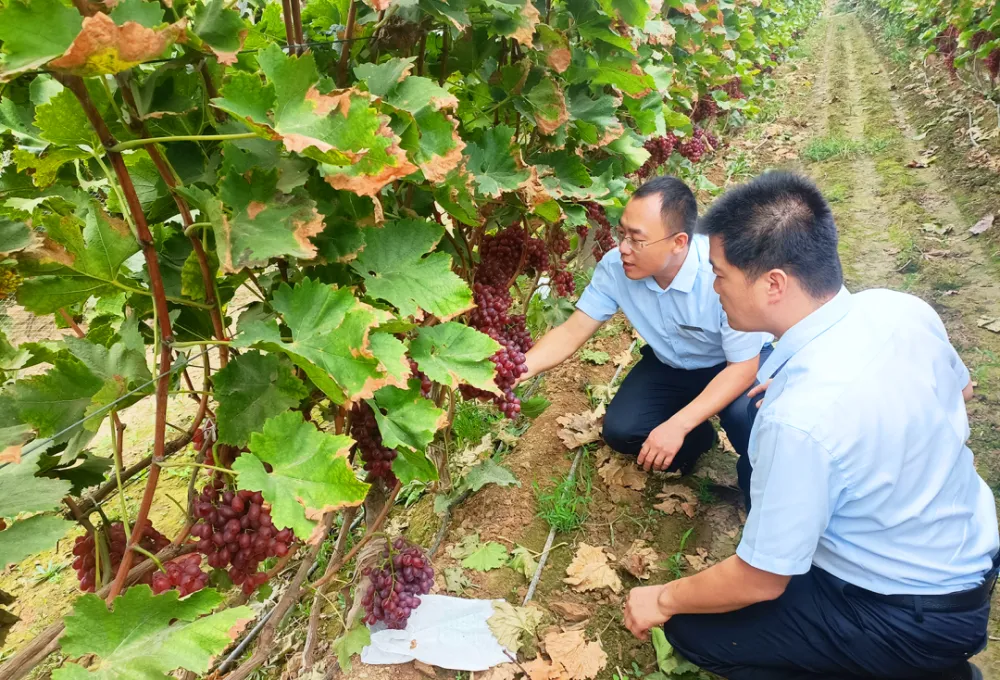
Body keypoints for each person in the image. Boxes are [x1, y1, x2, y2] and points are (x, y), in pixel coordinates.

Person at [623, 170, 999, 680]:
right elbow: (961, 391)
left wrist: (662, 598)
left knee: (695, 630)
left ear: (773, 283)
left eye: (720, 274)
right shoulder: (896, 308)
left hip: (905, 614)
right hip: (964, 558)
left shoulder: (801, 418)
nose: (713, 288)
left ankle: (927, 671)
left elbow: (761, 580)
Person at [521, 176, 770, 500]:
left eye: (636, 239)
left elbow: (743, 367)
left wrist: (676, 424)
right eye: (621, 233)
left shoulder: (720, 272)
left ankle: (758, 496)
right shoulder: (615, 269)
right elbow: (572, 331)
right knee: (622, 430)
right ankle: (698, 442)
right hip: (672, 363)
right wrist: (514, 370)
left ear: (679, 242)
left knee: (750, 416)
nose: (623, 248)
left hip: (734, 363)